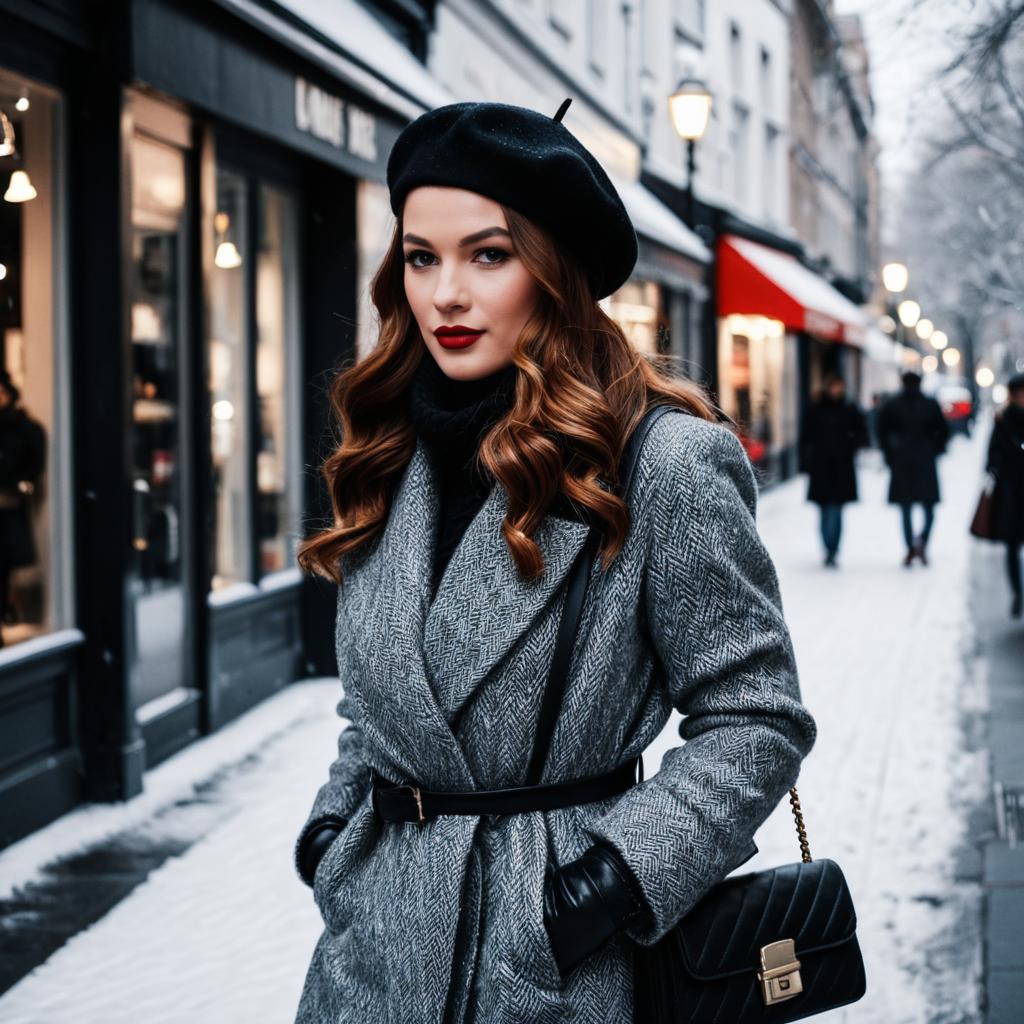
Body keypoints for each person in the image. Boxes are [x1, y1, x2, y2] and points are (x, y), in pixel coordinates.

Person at [290, 99, 816, 1023]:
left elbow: (755, 716)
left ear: (554, 269)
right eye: (422, 257)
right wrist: (332, 835)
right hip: (370, 962)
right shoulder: (388, 448)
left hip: (555, 968)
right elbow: (384, 705)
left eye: (488, 255)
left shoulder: (659, 461)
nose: (445, 294)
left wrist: (610, 885)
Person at [878, 371, 950, 567]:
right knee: (923, 509)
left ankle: (913, 546)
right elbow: (943, 431)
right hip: (918, 462)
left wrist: (892, 454)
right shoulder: (926, 404)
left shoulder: (895, 405)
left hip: (909, 462)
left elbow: (883, 432)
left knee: (909, 508)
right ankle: (917, 545)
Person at [799, 374, 870, 567]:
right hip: (821, 466)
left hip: (841, 466)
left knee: (836, 509)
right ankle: (828, 547)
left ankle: (833, 549)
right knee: (824, 509)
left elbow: (862, 433)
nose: (836, 390)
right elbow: (806, 436)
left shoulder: (849, 408)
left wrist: (851, 444)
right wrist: (806, 461)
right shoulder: (816, 407)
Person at [0, 370, 46, 644]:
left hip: (8, 505)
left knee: (7, 563)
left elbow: (32, 462)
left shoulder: (22, 428)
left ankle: (8, 608)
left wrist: (21, 483)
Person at [986, 373, 1024, 618]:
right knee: (1012, 545)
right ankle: (1017, 592)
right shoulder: (1003, 420)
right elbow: (992, 457)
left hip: (1013, 489)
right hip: (1012, 490)